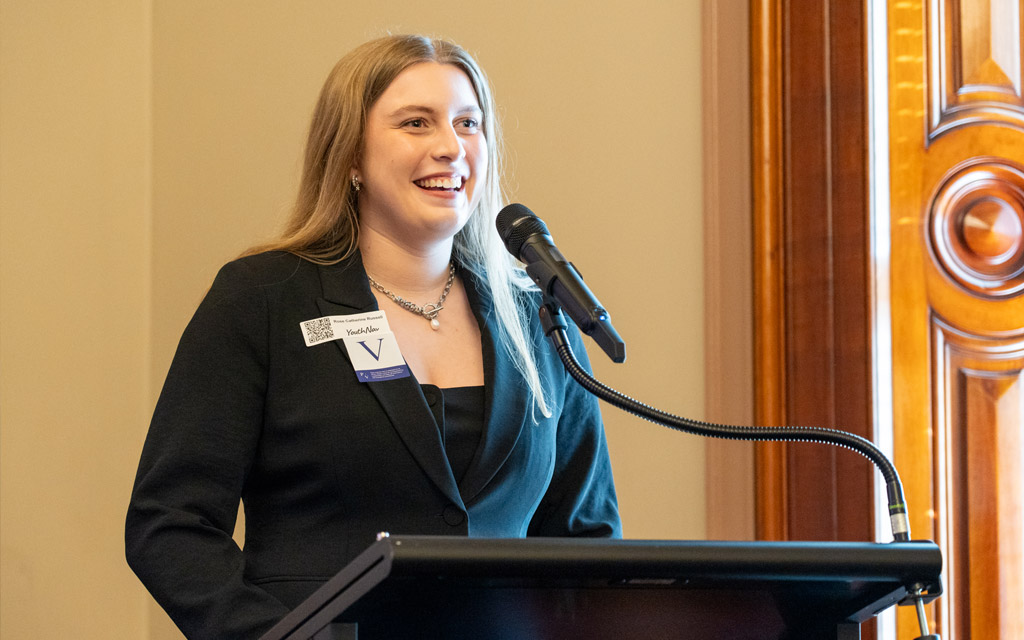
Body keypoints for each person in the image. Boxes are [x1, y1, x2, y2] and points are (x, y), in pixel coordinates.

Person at [125, 34, 621, 639]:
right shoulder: (262, 298)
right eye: (416, 123)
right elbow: (170, 523)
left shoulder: (536, 315)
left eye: (469, 123)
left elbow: (586, 539)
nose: (450, 147)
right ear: (350, 156)